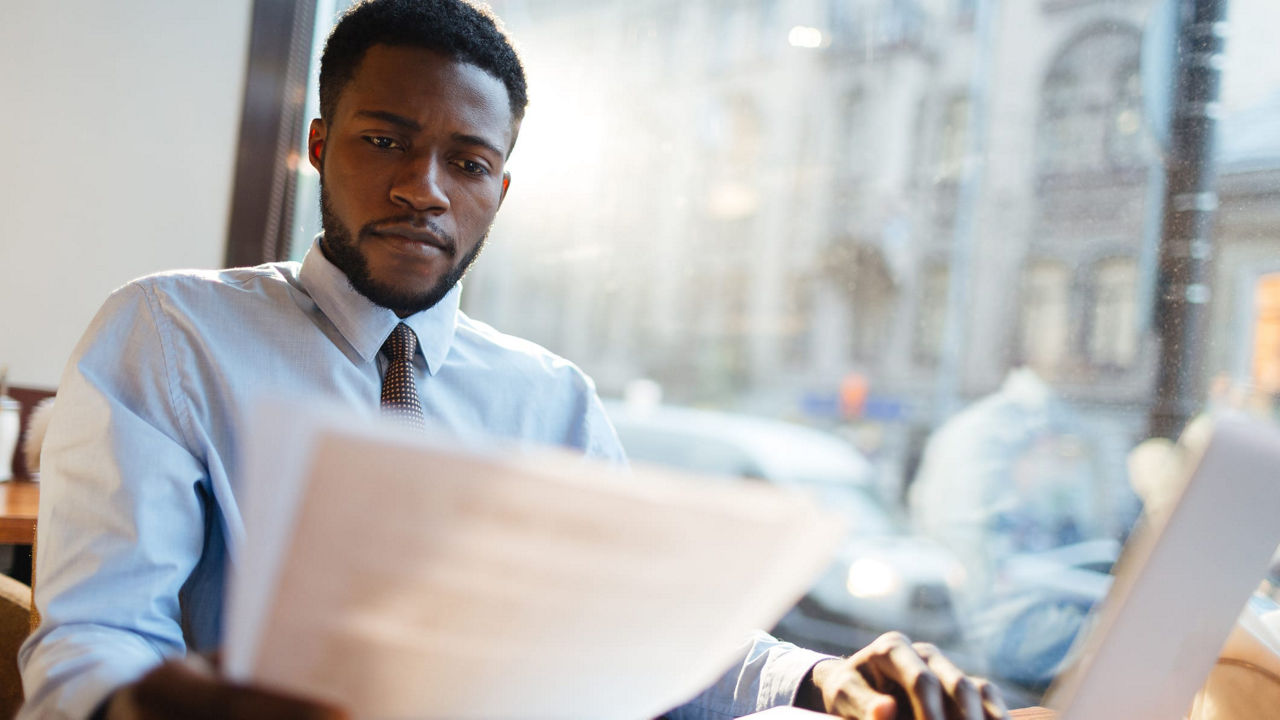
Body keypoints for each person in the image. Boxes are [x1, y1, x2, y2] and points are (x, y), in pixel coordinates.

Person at [18, 1, 1009, 718]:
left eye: (467, 161)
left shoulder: (549, 398)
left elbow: (639, 638)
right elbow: (93, 634)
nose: (425, 188)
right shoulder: (171, 333)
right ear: (318, 145)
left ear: (501, 184)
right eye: (384, 140)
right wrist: (131, 711)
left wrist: (816, 678)